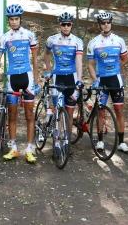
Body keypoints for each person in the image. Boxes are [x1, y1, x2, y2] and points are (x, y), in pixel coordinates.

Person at [0, 4, 40, 164]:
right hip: (12, 78)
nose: (13, 22)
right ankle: (13, 148)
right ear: (8, 21)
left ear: (20, 19)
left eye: (16, 19)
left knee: (29, 115)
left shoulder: (29, 35)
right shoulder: (4, 37)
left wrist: (37, 80)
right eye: (11, 19)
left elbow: (35, 59)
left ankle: (30, 149)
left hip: (27, 77)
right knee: (12, 115)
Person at [87, 12, 128, 153]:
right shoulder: (93, 42)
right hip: (101, 81)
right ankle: (100, 141)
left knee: (119, 111)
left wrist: (115, 66)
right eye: (103, 23)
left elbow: (125, 58)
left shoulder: (119, 40)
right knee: (100, 111)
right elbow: (90, 64)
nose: (106, 25)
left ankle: (122, 142)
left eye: (108, 22)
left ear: (111, 23)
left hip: (115, 80)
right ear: (99, 24)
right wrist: (95, 80)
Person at [43, 12, 83, 155]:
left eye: (68, 24)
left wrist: (79, 79)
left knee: (69, 112)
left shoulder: (77, 41)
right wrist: (48, 70)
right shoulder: (52, 40)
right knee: (57, 110)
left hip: (71, 78)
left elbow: (79, 62)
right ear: (59, 25)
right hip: (57, 77)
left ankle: (66, 141)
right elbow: (46, 54)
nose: (66, 27)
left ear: (71, 25)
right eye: (63, 24)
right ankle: (56, 143)